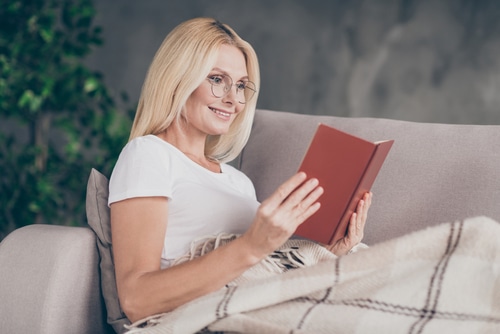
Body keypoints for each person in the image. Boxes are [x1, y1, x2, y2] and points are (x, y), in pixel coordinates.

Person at [108, 17, 372, 323]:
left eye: (242, 85)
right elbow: (136, 299)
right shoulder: (149, 154)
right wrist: (252, 246)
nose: (234, 100)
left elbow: (270, 274)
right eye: (218, 80)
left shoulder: (239, 181)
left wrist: (329, 254)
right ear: (179, 78)